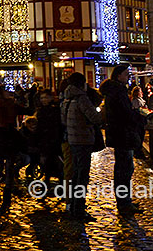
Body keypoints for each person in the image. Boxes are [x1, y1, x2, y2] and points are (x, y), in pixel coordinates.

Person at [100, 63, 146, 214]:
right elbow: (124, 114)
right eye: (126, 74)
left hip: (119, 134)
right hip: (123, 134)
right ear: (119, 75)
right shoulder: (118, 91)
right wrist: (139, 117)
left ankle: (125, 201)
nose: (129, 77)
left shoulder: (114, 91)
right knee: (124, 169)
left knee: (124, 168)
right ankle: (124, 203)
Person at [61, 72, 104, 222]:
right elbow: (95, 118)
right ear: (82, 83)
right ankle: (79, 209)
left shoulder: (66, 98)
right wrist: (103, 112)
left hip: (72, 140)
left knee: (75, 174)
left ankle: (73, 206)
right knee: (82, 176)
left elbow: (63, 120)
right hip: (83, 140)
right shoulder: (82, 98)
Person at [34, 88, 63, 184]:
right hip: (44, 140)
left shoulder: (55, 110)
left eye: (46, 97)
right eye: (42, 98)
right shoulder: (40, 110)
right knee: (46, 162)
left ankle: (58, 180)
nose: (43, 100)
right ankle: (47, 180)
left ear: (51, 98)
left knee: (54, 161)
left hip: (53, 139)